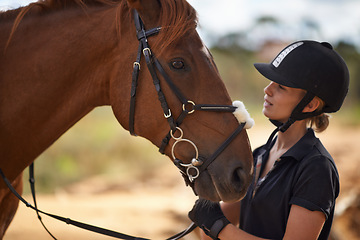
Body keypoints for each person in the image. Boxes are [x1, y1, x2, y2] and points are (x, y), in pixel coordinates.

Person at [188, 40, 350, 240]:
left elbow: (219, 229)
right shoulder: (259, 155)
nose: (267, 90)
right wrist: (208, 188)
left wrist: (218, 227)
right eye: (271, 81)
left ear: (310, 105)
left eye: (281, 87)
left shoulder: (316, 167)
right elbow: (211, 232)